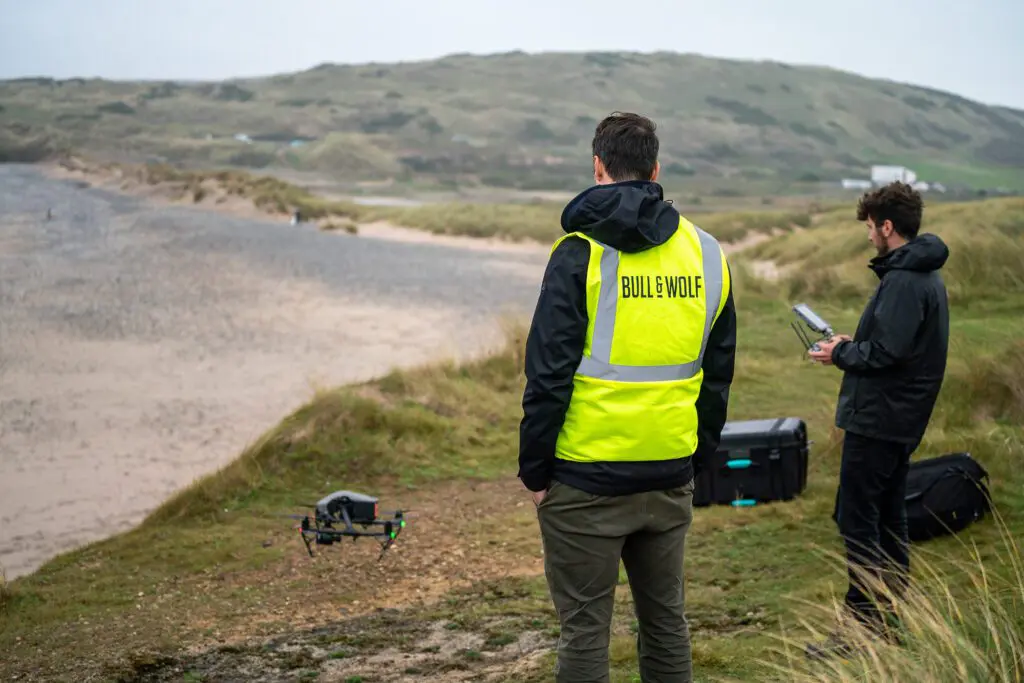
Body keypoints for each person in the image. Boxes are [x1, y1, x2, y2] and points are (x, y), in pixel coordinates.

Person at [518, 112, 737, 683]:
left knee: (585, 630)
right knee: (667, 624)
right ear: (655, 169)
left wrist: (534, 471)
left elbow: (546, 374)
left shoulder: (577, 251)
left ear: (597, 167)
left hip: (585, 476)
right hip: (668, 472)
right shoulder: (708, 254)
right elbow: (718, 378)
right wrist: (697, 461)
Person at [807, 181, 950, 656]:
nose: (869, 236)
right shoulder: (915, 275)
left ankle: (862, 629)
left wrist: (841, 352)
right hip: (895, 418)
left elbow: (887, 352)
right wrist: (852, 345)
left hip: (882, 420)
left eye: (871, 227)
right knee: (887, 517)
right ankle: (890, 620)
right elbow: (895, 346)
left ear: (888, 227)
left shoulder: (907, 280)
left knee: (858, 519)